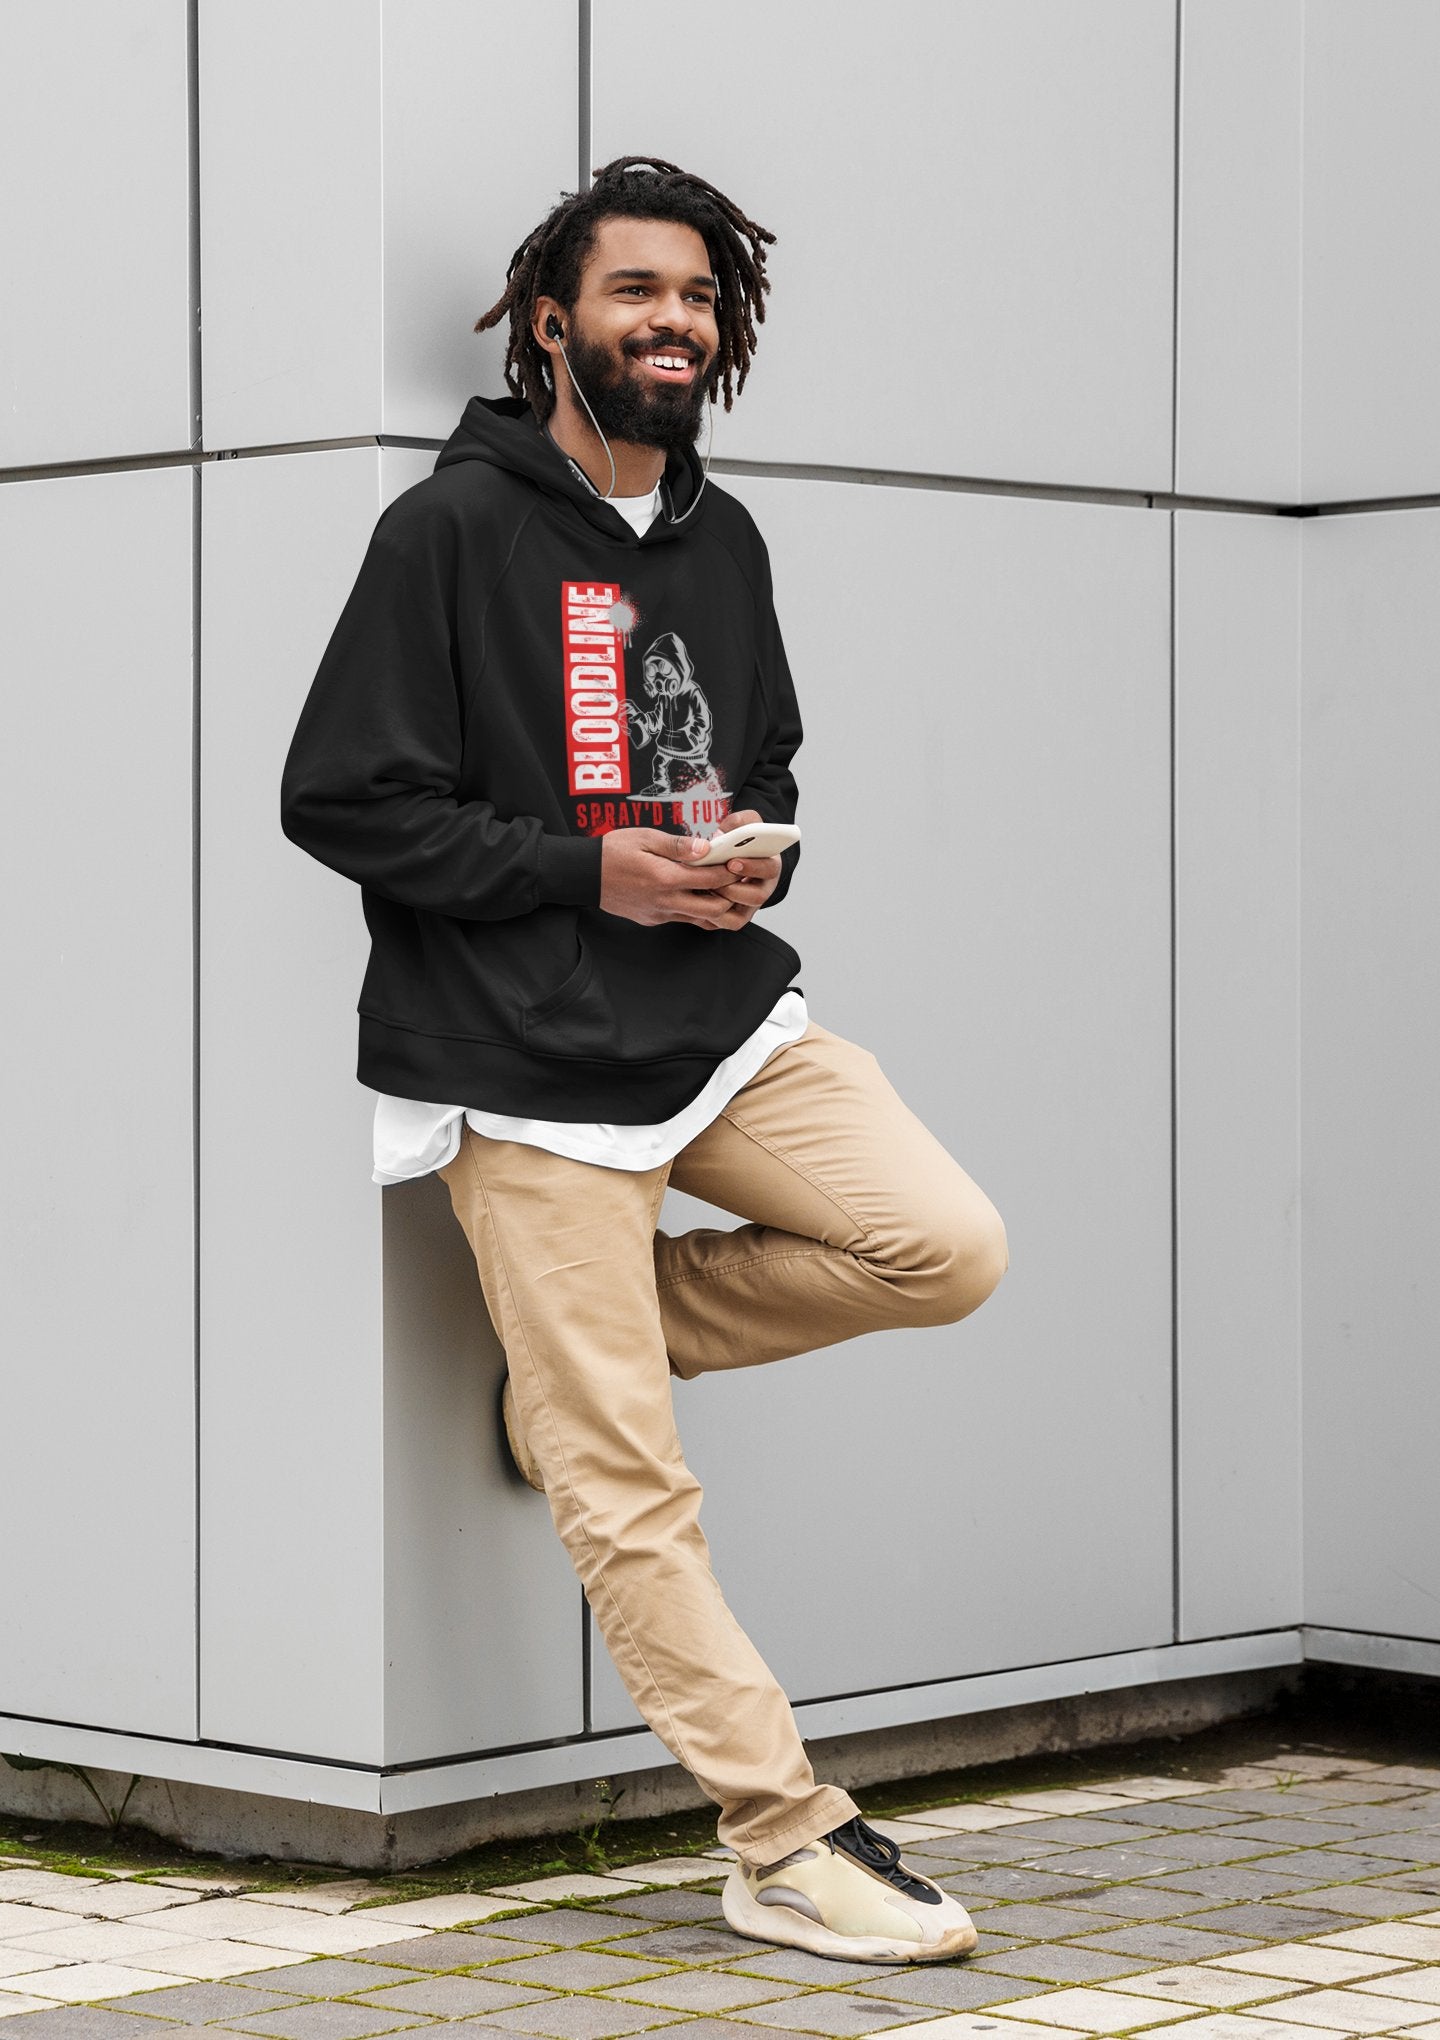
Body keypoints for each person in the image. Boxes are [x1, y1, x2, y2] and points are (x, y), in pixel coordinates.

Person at [281, 156, 1009, 1965]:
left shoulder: (725, 537)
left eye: (694, 297)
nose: (670, 322)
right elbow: (343, 799)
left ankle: (571, 1359)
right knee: (630, 1488)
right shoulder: (446, 535)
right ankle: (784, 1836)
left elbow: (762, 754)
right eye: (633, 295)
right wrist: (577, 868)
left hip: (711, 1017)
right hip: (517, 1057)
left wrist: (755, 846)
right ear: (555, 323)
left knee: (944, 1245)